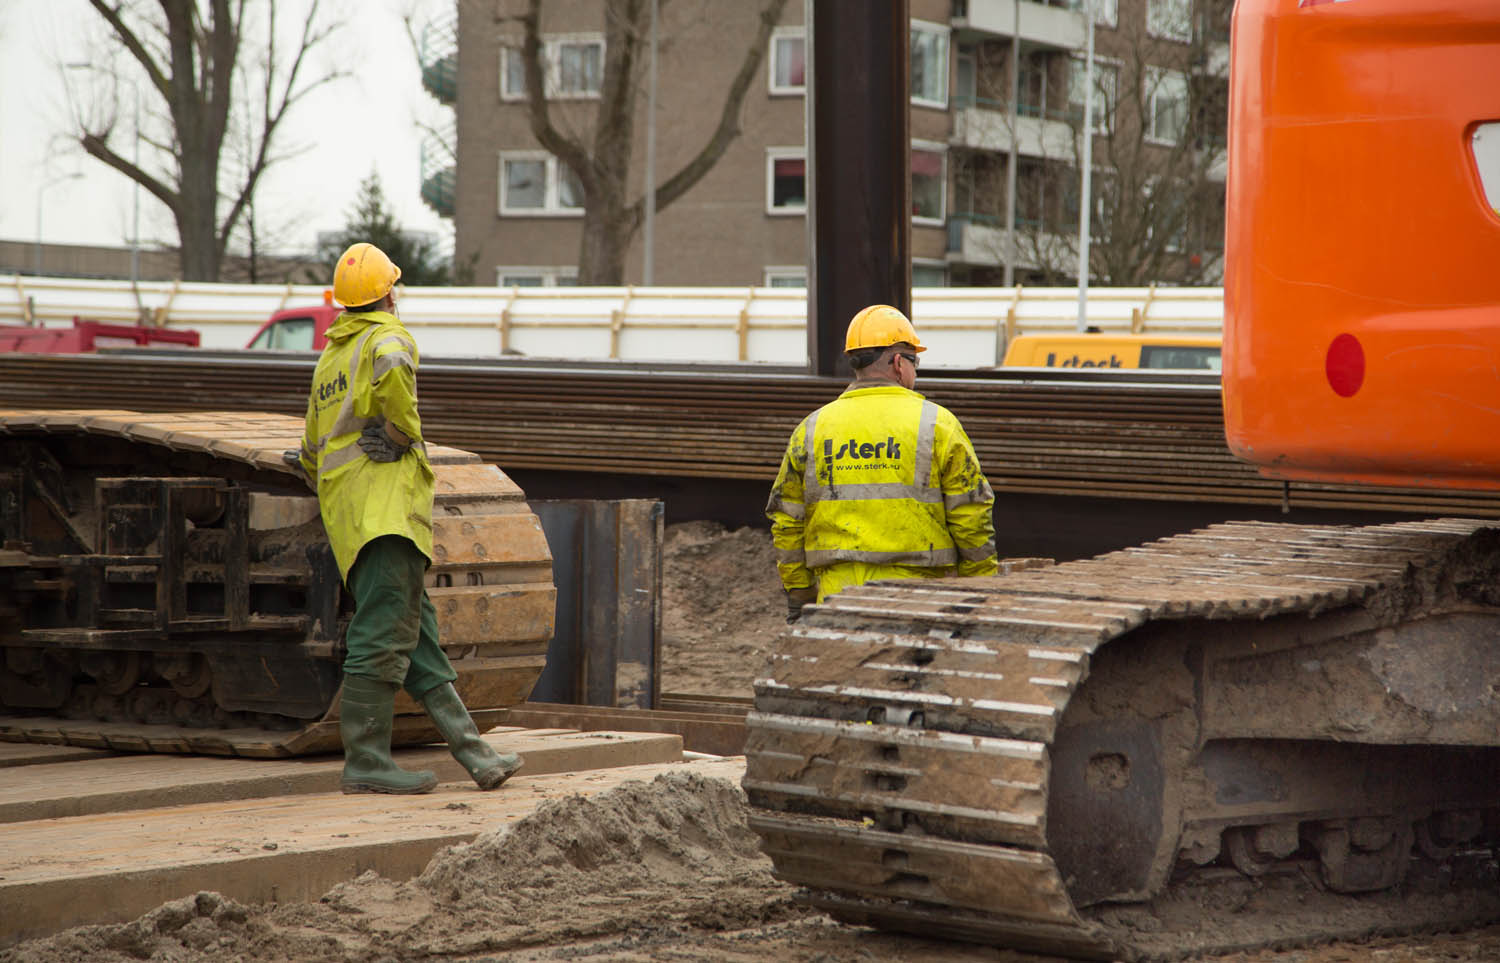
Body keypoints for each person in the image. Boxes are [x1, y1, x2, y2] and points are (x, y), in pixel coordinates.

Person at [295, 241, 523, 794]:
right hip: (388, 514)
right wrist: (400, 433)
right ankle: (367, 761)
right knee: (381, 636)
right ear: (390, 292)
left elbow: (309, 452)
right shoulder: (388, 337)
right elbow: (399, 383)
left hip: (352, 519)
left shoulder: (330, 357)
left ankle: (476, 754)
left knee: (416, 639)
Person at [766, 304, 998, 622]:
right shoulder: (937, 425)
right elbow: (971, 516)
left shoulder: (811, 429)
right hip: (920, 599)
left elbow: (787, 520)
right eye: (916, 363)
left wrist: (800, 593)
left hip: (837, 597)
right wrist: (978, 589)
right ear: (900, 363)